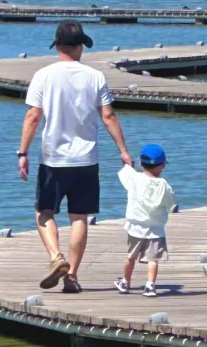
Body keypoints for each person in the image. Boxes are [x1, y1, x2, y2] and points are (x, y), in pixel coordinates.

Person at [17, 19, 132, 294]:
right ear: (80, 47)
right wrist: (123, 151)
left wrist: (22, 152)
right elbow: (108, 116)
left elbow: (33, 117)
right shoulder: (95, 77)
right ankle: (72, 277)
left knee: (44, 212)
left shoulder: (44, 75)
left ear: (57, 46)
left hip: (53, 159)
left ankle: (56, 257)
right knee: (79, 217)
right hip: (86, 161)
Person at [113, 143, 175, 298]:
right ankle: (150, 286)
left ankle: (125, 282)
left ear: (141, 163)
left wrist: (127, 162)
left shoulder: (134, 178)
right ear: (162, 166)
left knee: (131, 256)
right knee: (153, 259)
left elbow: (126, 169)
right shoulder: (164, 185)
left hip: (135, 227)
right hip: (156, 230)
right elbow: (171, 203)